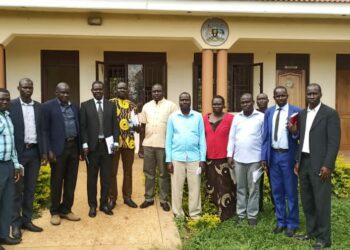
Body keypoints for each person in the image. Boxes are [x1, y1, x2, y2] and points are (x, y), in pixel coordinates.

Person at [293, 83, 340, 250]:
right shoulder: (302, 113)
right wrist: (298, 161)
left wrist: (328, 165)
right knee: (307, 201)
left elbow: (333, 142)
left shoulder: (330, 114)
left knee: (321, 203)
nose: (311, 96)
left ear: (321, 94)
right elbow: (301, 140)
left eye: (315, 93)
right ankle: (311, 232)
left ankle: (324, 238)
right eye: (309, 93)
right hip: (304, 162)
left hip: (320, 165)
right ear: (306, 95)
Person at [261, 86, 300, 237]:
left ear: (287, 95)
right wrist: (264, 157)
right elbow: (265, 137)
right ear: (274, 97)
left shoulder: (296, 111)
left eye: (283, 95)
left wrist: (294, 131)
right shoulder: (269, 112)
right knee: (276, 191)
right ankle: (281, 222)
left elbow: (299, 136)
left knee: (290, 191)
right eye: (278, 96)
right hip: (273, 156)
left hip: (288, 156)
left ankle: (292, 223)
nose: (281, 98)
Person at [10, 78, 45, 239]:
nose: (28, 90)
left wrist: (43, 152)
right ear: (18, 88)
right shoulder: (11, 106)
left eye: (30, 87)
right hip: (18, 154)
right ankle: (15, 225)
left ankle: (27, 221)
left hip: (34, 153)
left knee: (30, 189)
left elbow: (43, 130)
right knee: (17, 191)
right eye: (25, 87)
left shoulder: (38, 106)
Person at [42, 82, 81, 226]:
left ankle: (66, 209)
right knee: (57, 181)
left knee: (71, 181)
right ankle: (55, 212)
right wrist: (48, 150)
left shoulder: (75, 107)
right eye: (62, 92)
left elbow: (79, 127)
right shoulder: (47, 106)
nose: (65, 95)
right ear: (56, 93)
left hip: (73, 148)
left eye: (67, 92)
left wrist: (81, 149)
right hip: (58, 150)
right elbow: (44, 130)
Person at [80, 81, 119, 217]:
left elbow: (115, 125)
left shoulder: (111, 105)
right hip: (92, 148)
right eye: (95, 89)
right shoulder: (85, 105)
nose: (97, 91)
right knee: (92, 178)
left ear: (104, 90)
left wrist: (116, 142)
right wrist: (84, 144)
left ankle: (104, 204)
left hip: (107, 147)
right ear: (92, 90)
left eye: (100, 89)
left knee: (106, 177)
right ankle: (92, 205)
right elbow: (83, 127)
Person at [165, 92, 206, 218]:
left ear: (191, 101)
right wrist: (168, 160)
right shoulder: (172, 117)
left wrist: (202, 159)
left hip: (194, 159)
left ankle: (194, 213)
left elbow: (202, 139)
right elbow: (168, 139)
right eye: (182, 100)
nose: (184, 102)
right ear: (179, 102)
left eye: (187, 100)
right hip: (177, 158)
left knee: (195, 188)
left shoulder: (198, 117)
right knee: (177, 188)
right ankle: (178, 213)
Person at [138, 84, 177, 211]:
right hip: (148, 144)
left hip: (163, 146)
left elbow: (176, 126)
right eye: (154, 91)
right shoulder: (146, 106)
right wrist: (140, 147)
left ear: (163, 91)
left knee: (163, 174)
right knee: (148, 173)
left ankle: (163, 200)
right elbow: (142, 127)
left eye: (158, 91)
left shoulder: (171, 106)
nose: (156, 93)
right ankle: (148, 198)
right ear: (151, 92)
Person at [227, 93, 264, 226]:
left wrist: (263, 158)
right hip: (238, 159)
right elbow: (232, 137)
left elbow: (264, 139)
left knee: (253, 188)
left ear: (253, 102)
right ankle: (241, 214)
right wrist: (229, 155)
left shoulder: (261, 117)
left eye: (248, 102)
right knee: (241, 188)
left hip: (255, 160)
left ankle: (252, 215)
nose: (245, 104)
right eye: (243, 102)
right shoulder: (237, 118)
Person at [203, 95, 235, 221]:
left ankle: (226, 212)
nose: (217, 106)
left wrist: (232, 155)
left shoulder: (231, 119)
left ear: (224, 105)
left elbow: (234, 138)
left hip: (224, 159)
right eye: (214, 104)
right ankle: (213, 210)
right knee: (212, 184)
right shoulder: (204, 119)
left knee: (225, 185)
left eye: (219, 104)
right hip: (209, 158)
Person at [108, 82, 138, 209]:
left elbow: (136, 125)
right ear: (116, 89)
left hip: (128, 142)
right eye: (120, 88)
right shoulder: (110, 103)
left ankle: (127, 197)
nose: (122, 90)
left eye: (124, 88)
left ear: (127, 90)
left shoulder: (132, 105)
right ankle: (112, 198)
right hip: (114, 143)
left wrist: (137, 127)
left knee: (128, 171)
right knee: (112, 172)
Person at [0, 88, 22, 247]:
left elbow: (12, 145)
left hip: (8, 165)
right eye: (1, 99)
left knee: (7, 203)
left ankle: (3, 235)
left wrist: (15, 165)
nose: (5, 102)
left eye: (7, 99)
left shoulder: (7, 117)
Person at [256, 93, 273, 212]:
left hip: (271, 152)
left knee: (273, 181)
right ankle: (258, 206)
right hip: (257, 153)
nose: (261, 101)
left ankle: (276, 206)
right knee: (257, 181)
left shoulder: (272, 112)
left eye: (263, 99)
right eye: (259, 99)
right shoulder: (254, 114)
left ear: (268, 100)